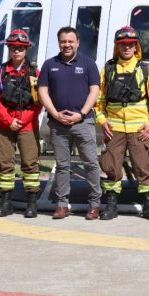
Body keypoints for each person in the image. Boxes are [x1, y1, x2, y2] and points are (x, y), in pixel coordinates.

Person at [96, 26, 149, 221]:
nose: (127, 47)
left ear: (136, 47)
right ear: (118, 47)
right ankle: (111, 206)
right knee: (111, 168)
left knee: (144, 168)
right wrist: (102, 121)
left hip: (139, 130)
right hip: (114, 129)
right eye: (123, 44)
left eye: (130, 44)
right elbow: (99, 101)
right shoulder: (108, 69)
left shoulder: (146, 70)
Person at [39, 26, 102, 220]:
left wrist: (81, 115)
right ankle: (62, 204)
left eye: (70, 41)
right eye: (63, 41)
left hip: (83, 122)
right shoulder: (49, 65)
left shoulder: (89, 64)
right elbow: (43, 91)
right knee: (62, 165)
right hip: (58, 124)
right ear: (59, 43)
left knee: (90, 163)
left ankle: (94, 204)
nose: (67, 45)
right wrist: (54, 114)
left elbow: (94, 91)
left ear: (77, 43)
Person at [0, 29, 42, 217]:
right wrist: (8, 120)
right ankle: (6, 203)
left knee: (30, 164)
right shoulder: (0, 72)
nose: (16, 51)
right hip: (5, 125)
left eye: (20, 48)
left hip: (27, 125)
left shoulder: (34, 72)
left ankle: (32, 203)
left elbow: (39, 101)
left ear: (26, 49)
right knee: (5, 164)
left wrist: (22, 120)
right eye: (13, 48)